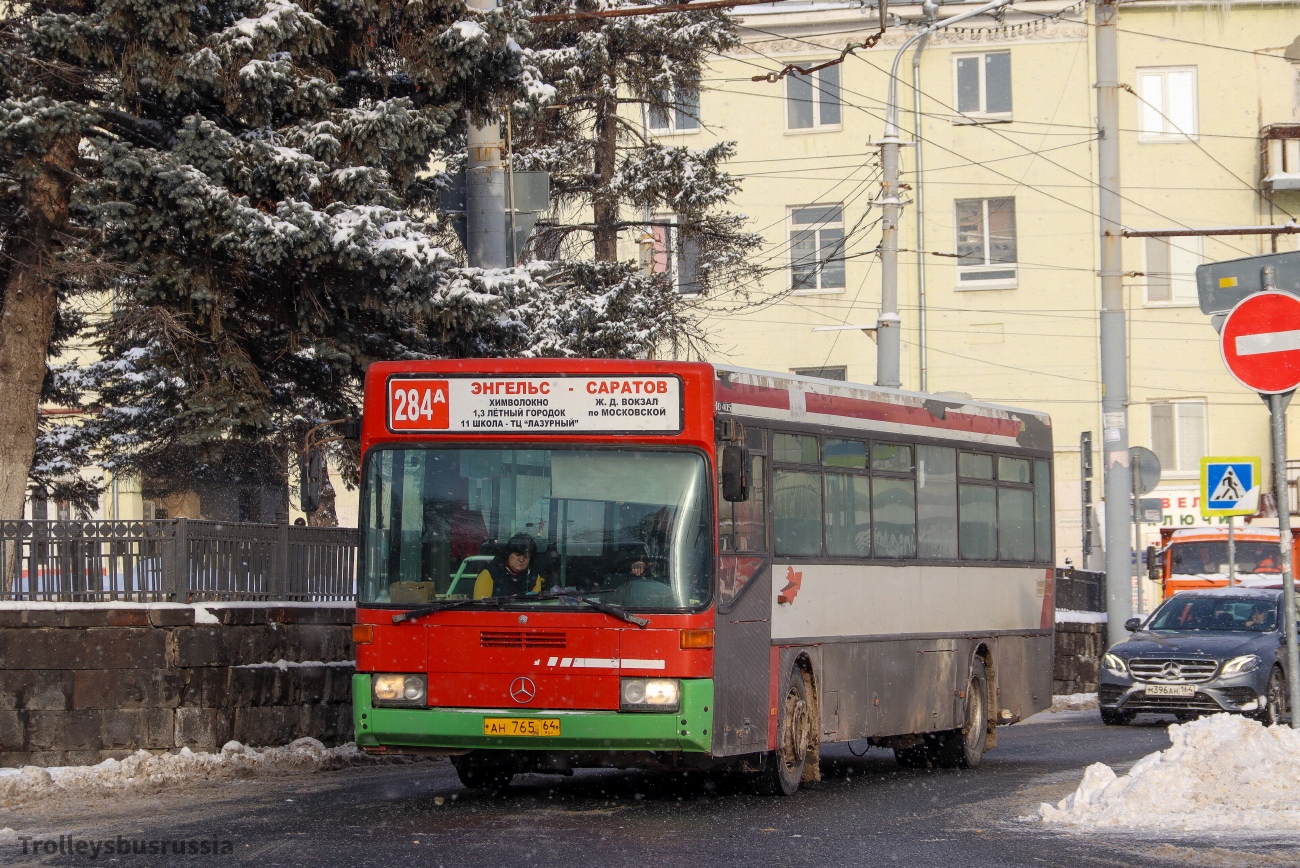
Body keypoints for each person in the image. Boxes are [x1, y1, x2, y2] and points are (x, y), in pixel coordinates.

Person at [473, 533, 544, 599]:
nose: (521, 559)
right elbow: (480, 607)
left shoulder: (534, 576)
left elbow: (535, 605)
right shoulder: (489, 574)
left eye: (526, 556)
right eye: (517, 554)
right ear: (508, 554)